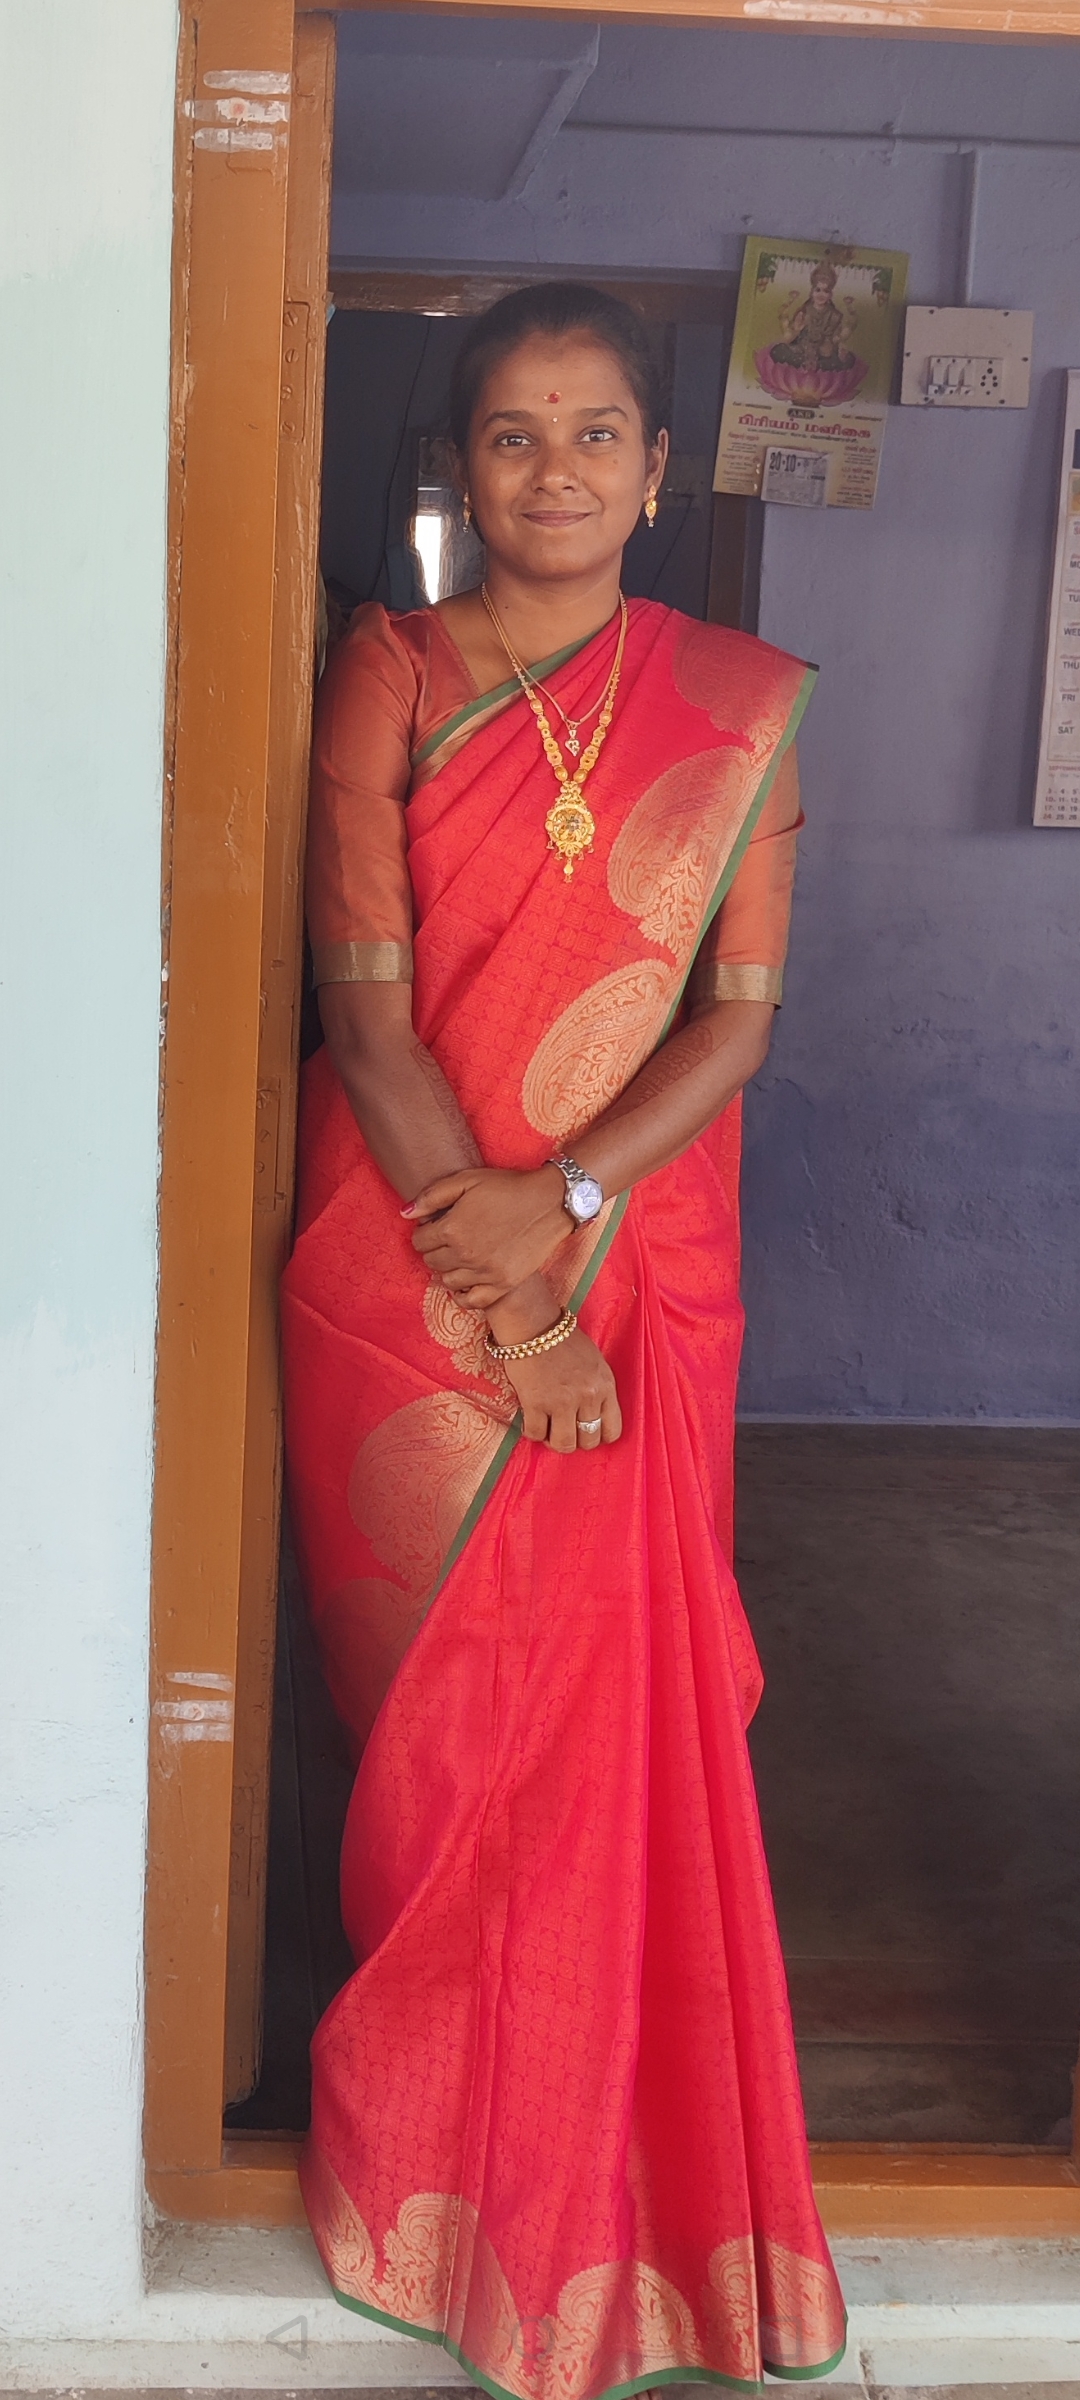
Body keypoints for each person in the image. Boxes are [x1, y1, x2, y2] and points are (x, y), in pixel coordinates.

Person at [281, 280, 846, 2400]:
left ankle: (619, 2197)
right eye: (512, 434)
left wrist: (577, 1213)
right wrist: (513, 1307)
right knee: (445, 1752)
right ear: (463, 464)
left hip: (639, 1257)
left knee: (612, 1722)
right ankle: (437, 2174)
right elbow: (366, 1012)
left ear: (658, 465)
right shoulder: (392, 668)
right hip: (410, 1267)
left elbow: (737, 1025)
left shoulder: (744, 702)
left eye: (596, 430)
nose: (555, 471)